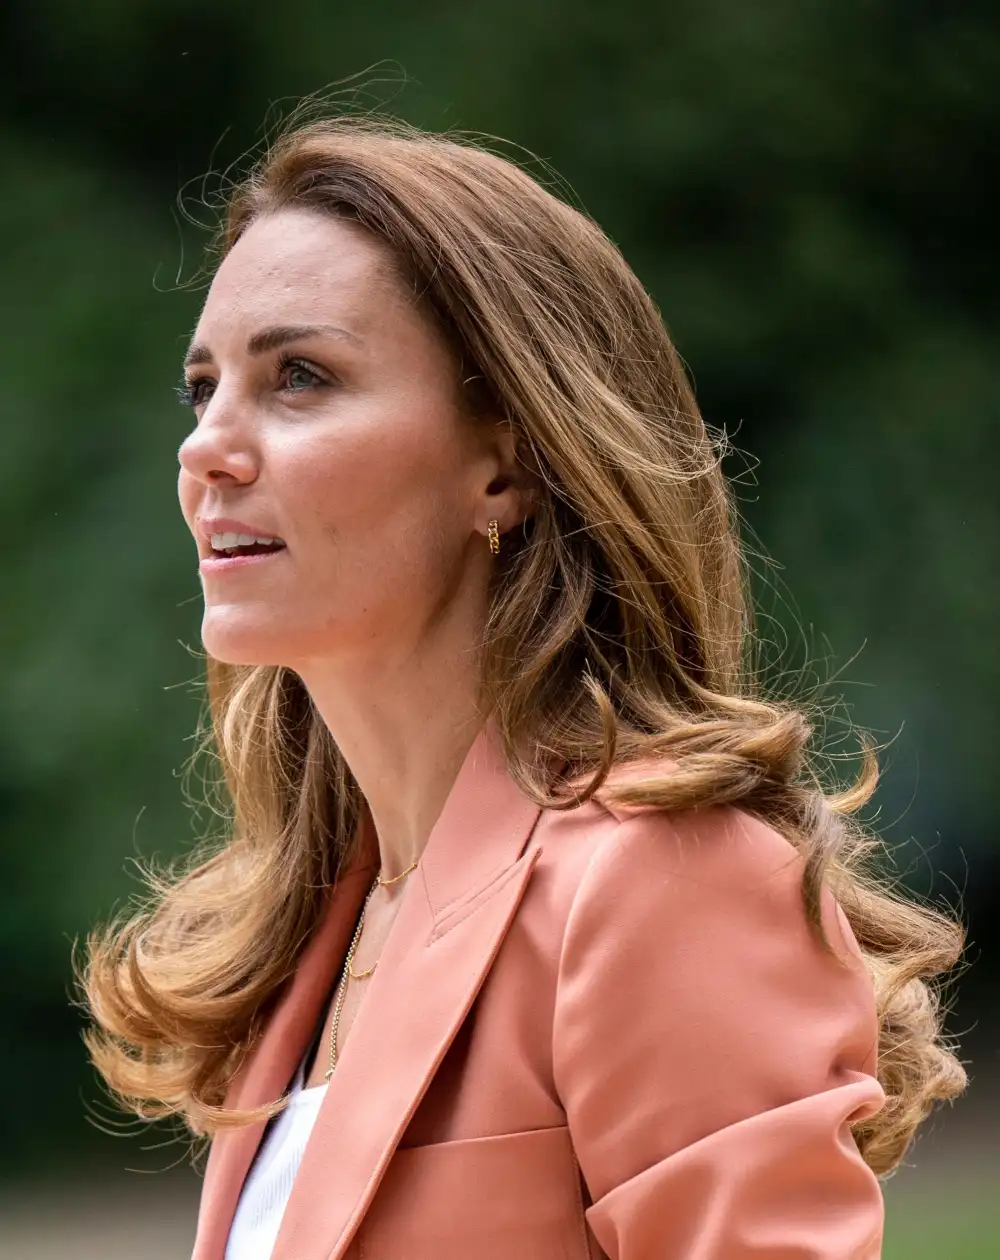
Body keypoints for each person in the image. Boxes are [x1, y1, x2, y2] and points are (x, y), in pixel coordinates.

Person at [79, 112, 966, 1260]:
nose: (208, 446)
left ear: (503, 464)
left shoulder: (663, 878)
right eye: (203, 389)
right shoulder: (317, 933)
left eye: (298, 378)